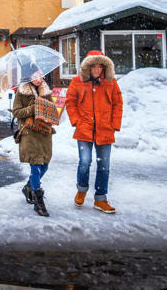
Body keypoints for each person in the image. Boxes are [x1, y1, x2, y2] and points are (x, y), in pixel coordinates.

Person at [64, 50, 123, 214]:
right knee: (85, 161)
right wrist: (77, 121)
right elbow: (70, 102)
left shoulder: (111, 83)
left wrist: (114, 124)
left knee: (104, 166)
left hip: (105, 131)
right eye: (94, 66)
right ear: (88, 67)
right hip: (84, 130)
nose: (97, 69)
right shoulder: (77, 82)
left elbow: (118, 103)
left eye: (100, 66)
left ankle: (100, 199)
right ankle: (81, 189)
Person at [12, 70, 54, 217]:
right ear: (29, 76)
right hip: (29, 134)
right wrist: (33, 108)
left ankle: (28, 187)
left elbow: (52, 109)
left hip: (44, 132)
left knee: (45, 165)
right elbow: (16, 112)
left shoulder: (45, 90)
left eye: (40, 76)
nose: (38, 79)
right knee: (35, 167)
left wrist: (47, 109)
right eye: (35, 76)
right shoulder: (22, 92)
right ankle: (38, 202)